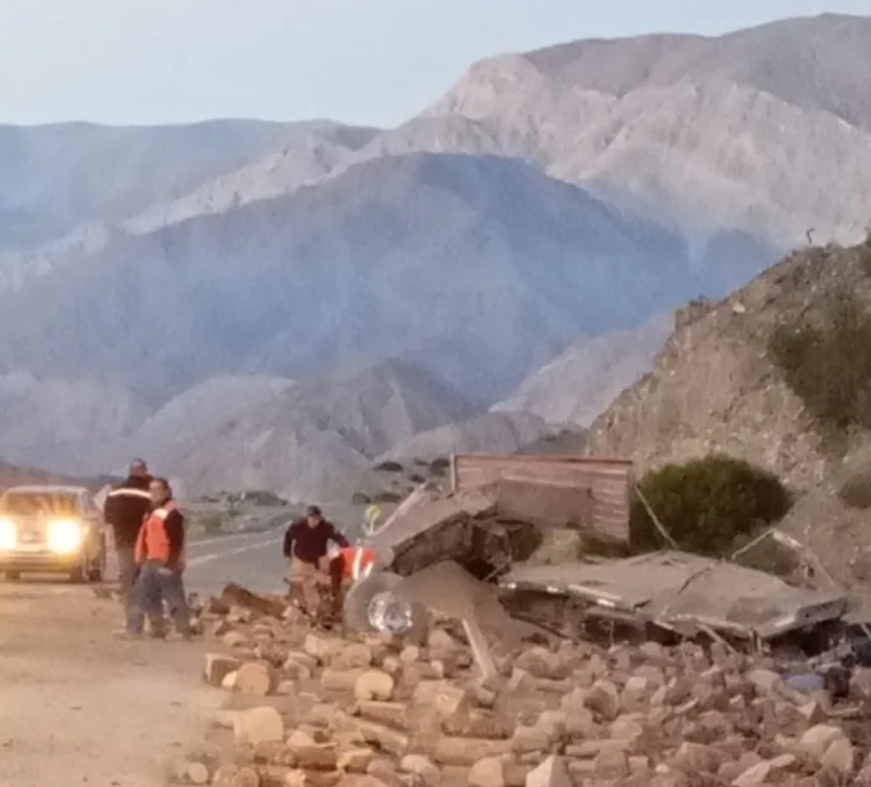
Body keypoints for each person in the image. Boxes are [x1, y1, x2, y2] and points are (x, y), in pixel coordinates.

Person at [124, 477, 192, 640]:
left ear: (166, 492)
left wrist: (170, 564)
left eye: (158, 490)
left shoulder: (172, 513)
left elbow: (176, 542)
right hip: (150, 561)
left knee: (174, 597)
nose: (153, 493)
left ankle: (183, 632)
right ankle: (149, 629)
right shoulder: (152, 512)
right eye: (151, 490)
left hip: (166, 562)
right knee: (145, 596)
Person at [103, 459, 152, 612]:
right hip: (147, 543)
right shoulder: (153, 493)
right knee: (148, 580)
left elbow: (107, 517)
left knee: (128, 579)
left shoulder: (116, 492)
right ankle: (150, 616)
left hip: (123, 541)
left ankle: (132, 617)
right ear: (145, 471)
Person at [282, 505, 349, 616]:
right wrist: (287, 554)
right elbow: (288, 537)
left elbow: (339, 537)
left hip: (320, 559)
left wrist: (346, 548)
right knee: (308, 583)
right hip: (302, 561)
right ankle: (313, 610)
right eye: (312, 518)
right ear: (307, 517)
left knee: (332, 575)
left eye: (317, 519)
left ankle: (332, 599)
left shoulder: (326, 526)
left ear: (320, 518)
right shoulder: (298, 526)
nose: (314, 522)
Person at [327, 543, 378, 615]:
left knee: (348, 588)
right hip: (359, 567)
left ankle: (337, 606)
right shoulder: (345, 554)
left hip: (365, 569)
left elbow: (337, 580)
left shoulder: (340, 561)